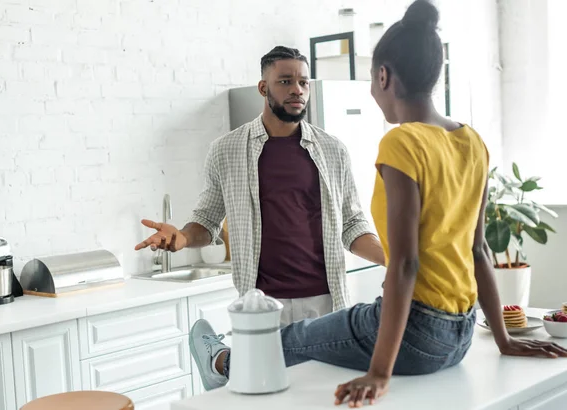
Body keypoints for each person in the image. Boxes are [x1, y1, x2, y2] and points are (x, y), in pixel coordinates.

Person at [186, 0, 567, 405]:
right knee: (308, 356)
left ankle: (221, 362)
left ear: (383, 76)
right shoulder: (472, 141)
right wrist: (504, 338)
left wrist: (379, 373)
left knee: (288, 340)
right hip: (461, 334)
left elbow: (405, 263)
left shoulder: (401, 142)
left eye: (370, 79)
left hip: (415, 333)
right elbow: (478, 250)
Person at [135, 46, 385, 326]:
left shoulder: (332, 150)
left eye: (303, 82)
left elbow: (352, 225)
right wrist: (182, 237)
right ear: (263, 87)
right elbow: (206, 221)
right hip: (260, 306)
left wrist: (393, 259)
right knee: (263, 372)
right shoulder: (226, 150)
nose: (297, 90)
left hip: (326, 303)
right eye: (285, 81)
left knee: (328, 372)